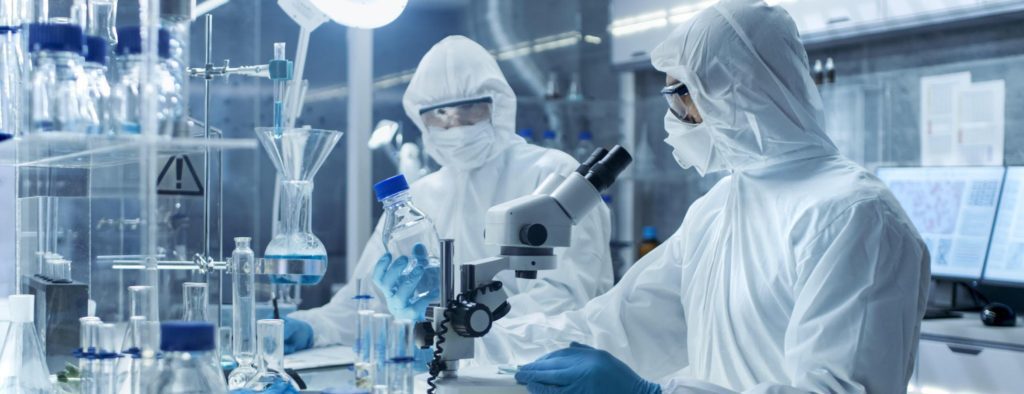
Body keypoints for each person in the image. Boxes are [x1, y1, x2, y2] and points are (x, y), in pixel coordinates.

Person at [481, 0, 931, 392]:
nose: (675, 120)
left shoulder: (853, 215)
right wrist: (476, 337)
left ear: (739, 91)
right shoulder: (720, 207)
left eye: (682, 99)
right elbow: (616, 326)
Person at [281, 35, 613, 354]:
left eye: (468, 109)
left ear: (497, 104)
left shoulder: (552, 174)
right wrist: (311, 327)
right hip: (450, 370)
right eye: (438, 114)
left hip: (546, 370)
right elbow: (368, 297)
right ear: (420, 119)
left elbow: (567, 298)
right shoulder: (421, 197)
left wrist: (457, 319)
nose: (454, 124)